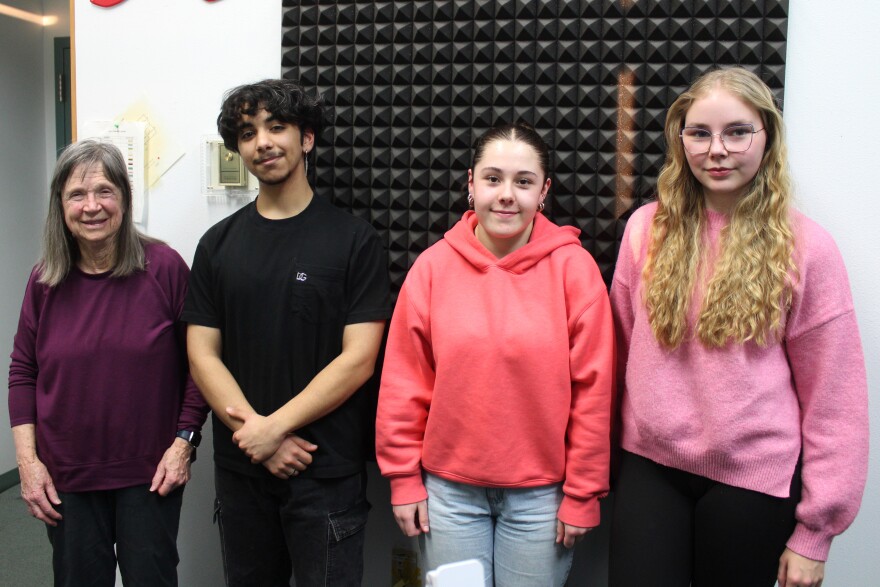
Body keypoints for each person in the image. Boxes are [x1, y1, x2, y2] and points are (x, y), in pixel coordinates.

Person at [608, 67, 869, 587]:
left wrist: (814, 534)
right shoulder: (644, 230)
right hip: (648, 467)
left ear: (766, 137)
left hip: (753, 482)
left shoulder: (807, 248)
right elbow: (615, 352)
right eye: (700, 133)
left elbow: (835, 400)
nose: (716, 149)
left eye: (737, 132)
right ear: (680, 140)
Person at [376, 123, 614, 586]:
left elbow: (594, 391)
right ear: (470, 184)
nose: (507, 195)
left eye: (523, 182)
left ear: (543, 191)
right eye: (493, 179)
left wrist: (583, 493)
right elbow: (405, 383)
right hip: (447, 494)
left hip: (542, 497)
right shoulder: (432, 268)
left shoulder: (574, 270)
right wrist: (403, 478)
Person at [183, 78, 391, 586]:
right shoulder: (217, 245)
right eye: (249, 133)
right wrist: (256, 433)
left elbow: (359, 358)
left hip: (324, 472)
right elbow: (202, 356)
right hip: (243, 468)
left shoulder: (354, 241)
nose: (263, 142)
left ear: (308, 139)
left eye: (277, 127)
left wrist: (274, 429)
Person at [7, 140, 208, 587]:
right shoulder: (45, 280)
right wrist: (28, 462)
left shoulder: (165, 268)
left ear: (124, 198)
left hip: (150, 474)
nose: (91, 206)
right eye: (77, 194)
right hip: (67, 478)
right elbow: (23, 370)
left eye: (104, 191)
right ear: (60, 205)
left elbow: (200, 366)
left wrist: (183, 445)